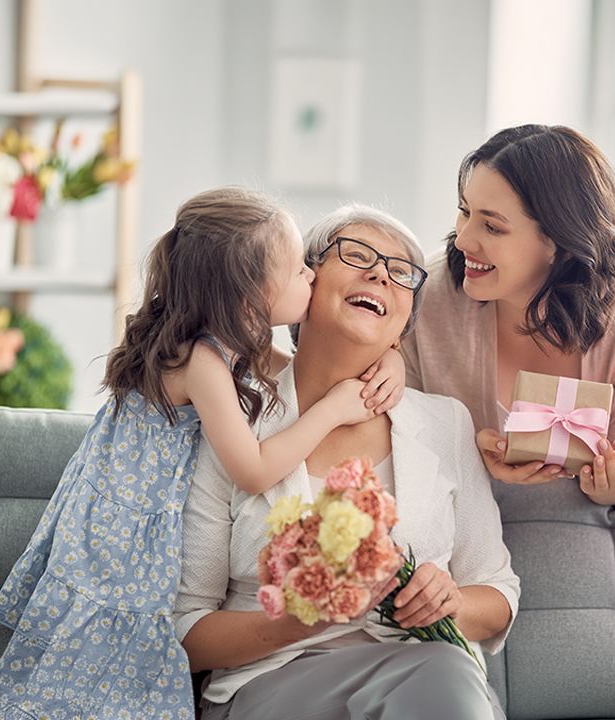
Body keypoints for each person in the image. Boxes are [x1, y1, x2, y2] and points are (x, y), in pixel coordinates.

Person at [0, 188, 407, 720]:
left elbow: (303, 364)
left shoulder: (230, 340)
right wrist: (335, 411)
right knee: (103, 677)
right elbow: (253, 471)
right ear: (250, 293)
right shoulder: (203, 360)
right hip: (125, 541)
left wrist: (392, 357)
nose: (313, 277)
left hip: (130, 526)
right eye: (299, 271)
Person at [176, 205, 520, 720]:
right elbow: (188, 630)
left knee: (445, 671)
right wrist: (297, 621)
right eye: (356, 255)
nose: (380, 273)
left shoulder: (446, 424)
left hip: (428, 681)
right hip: (273, 686)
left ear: (403, 324)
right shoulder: (233, 422)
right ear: (304, 286)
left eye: (401, 272)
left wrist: (451, 602)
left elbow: (497, 591)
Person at [401, 125, 615, 505]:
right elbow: (395, 445)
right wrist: (464, 453)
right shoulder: (427, 300)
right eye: (465, 212)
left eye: (492, 226)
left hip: (576, 537)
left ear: (558, 244)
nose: (462, 239)